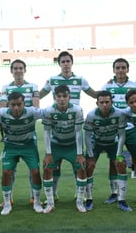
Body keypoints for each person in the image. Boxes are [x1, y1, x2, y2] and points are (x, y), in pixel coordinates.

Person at [39, 51, 97, 201]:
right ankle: (54, 193)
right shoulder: (52, 80)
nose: (65, 64)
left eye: (67, 61)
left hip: (74, 121)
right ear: (59, 64)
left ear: (72, 63)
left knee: (77, 162)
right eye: (63, 61)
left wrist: (108, 88)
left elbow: (94, 94)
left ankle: (80, 194)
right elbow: (39, 95)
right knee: (54, 164)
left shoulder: (80, 80)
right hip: (58, 123)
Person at [102, 57, 136, 203]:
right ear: (113, 70)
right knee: (114, 161)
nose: (120, 70)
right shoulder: (107, 86)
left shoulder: (135, 86)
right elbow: (103, 106)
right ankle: (114, 192)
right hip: (114, 130)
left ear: (127, 69)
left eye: (123, 67)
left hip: (132, 129)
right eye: (118, 67)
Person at [0, 92, 44, 215]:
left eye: (19, 104)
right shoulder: (2, 113)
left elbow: (49, 113)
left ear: (24, 104)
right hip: (11, 146)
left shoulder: (32, 112)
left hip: (28, 146)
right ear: (8, 105)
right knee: (6, 172)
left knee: (35, 171)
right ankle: (7, 203)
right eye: (13, 105)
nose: (16, 108)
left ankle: (36, 201)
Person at [0, 59, 40, 205]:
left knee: (33, 169)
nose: (18, 70)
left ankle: (33, 196)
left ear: (25, 70)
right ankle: (8, 197)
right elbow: (3, 110)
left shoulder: (33, 87)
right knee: (10, 169)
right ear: (11, 71)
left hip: (28, 131)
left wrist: (24, 120)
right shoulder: (5, 88)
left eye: (20, 68)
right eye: (15, 68)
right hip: (11, 134)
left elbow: (35, 109)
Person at [84, 90, 132, 211]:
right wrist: (90, 155)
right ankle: (89, 199)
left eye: (107, 102)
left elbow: (122, 135)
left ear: (112, 102)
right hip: (97, 143)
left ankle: (121, 199)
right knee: (89, 166)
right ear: (97, 103)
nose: (104, 105)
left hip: (113, 143)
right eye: (102, 102)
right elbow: (87, 136)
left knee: (120, 164)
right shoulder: (91, 115)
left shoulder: (119, 114)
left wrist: (119, 153)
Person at [42, 85, 86, 213]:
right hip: (56, 144)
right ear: (55, 97)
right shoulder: (49, 110)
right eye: (59, 97)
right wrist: (48, 153)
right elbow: (46, 133)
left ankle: (79, 201)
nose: (62, 99)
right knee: (47, 167)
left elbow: (79, 133)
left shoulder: (77, 110)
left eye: (64, 96)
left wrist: (79, 153)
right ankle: (50, 202)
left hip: (72, 145)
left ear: (69, 97)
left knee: (82, 168)